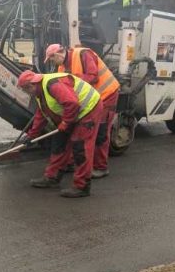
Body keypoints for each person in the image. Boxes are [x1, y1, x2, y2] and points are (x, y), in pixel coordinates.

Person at [17, 70, 103, 198]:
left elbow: (72, 103)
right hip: (73, 113)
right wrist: (32, 135)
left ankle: (82, 186)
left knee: (80, 148)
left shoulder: (53, 85)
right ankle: (52, 177)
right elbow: (41, 114)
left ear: (31, 85)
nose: (26, 93)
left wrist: (66, 122)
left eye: (25, 90)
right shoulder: (40, 92)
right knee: (59, 143)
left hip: (88, 109)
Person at [45, 44, 120, 178]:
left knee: (100, 132)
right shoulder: (61, 68)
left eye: (52, 59)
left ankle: (101, 167)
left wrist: (71, 78)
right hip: (91, 99)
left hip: (106, 93)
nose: (52, 62)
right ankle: (74, 162)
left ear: (58, 54)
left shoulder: (82, 54)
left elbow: (93, 77)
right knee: (78, 130)